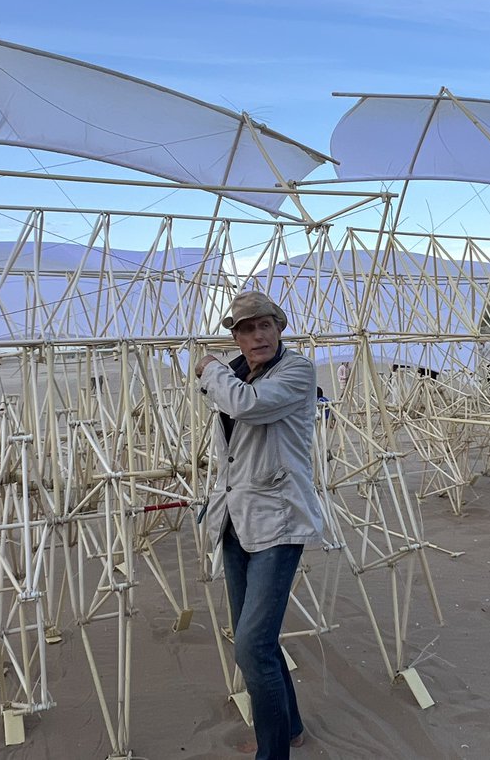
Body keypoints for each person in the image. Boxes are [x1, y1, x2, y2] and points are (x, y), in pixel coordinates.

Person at [194, 292, 322, 759]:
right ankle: (289, 727)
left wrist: (210, 370)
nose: (257, 335)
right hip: (236, 521)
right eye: (246, 329)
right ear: (236, 336)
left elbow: (248, 406)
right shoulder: (236, 375)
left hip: (279, 520)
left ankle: (273, 753)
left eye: (264, 325)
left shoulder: (296, 372)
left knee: (250, 646)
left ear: (280, 328)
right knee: (255, 641)